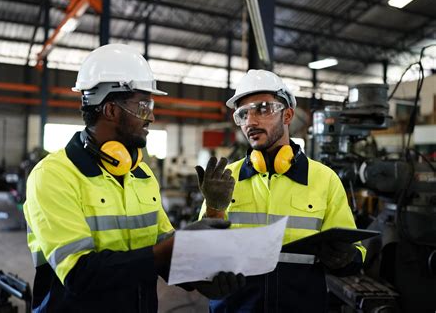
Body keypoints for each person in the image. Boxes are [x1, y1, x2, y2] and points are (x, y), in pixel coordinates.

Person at [23, 44, 245, 313]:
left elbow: (167, 251)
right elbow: (80, 275)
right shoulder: (54, 176)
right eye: (144, 105)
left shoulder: (141, 174)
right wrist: (169, 250)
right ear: (111, 110)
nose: (151, 115)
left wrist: (202, 276)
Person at [196, 69, 367, 312]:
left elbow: (356, 254)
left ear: (287, 115)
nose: (250, 122)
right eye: (243, 114)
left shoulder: (324, 179)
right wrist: (213, 209)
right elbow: (201, 257)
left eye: (263, 109)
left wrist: (346, 256)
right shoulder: (225, 179)